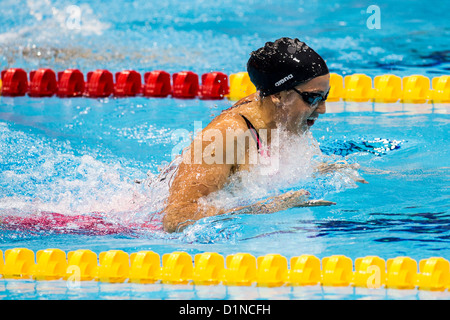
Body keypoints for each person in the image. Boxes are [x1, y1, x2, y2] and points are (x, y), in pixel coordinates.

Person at [162, 37, 360, 233]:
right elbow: (175, 218)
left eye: (324, 97)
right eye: (312, 98)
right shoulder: (226, 136)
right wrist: (262, 209)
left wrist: (325, 169)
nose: (322, 109)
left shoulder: (277, 113)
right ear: (278, 96)